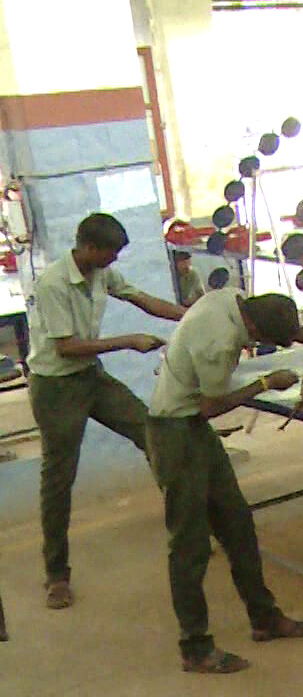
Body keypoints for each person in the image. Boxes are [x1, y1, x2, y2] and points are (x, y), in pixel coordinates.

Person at [146, 291, 303, 673]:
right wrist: (267, 382)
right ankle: (195, 648)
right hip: (175, 432)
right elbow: (210, 406)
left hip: (194, 429)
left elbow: (292, 330)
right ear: (254, 328)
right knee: (189, 545)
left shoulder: (233, 300)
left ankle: (264, 618)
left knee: (238, 526)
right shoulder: (219, 340)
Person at [27, 213, 188, 609]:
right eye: (110, 253)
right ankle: (56, 575)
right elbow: (66, 346)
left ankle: (186, 531)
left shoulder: (101, 273)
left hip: (90, 377)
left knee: (152, 431)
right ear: (88, 248)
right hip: (56, 386)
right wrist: (128, 341)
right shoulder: (53, 284)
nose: (113, 261)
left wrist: (191, 315)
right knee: (58, 479)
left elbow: (142, 300)